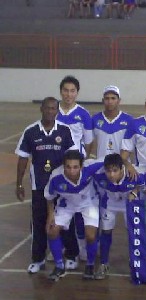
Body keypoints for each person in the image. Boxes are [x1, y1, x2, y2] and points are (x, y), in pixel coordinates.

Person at [15, 97, 78, 274]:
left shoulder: (65, 131)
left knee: (66, 220)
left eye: (53, 109)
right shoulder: (31, 131)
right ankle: (38, 258)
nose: (50, 112)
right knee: (38, 221)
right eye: (47, 108)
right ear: (41, 109)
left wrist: (73, 180)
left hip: (62, 186)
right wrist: (19, 183)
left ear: (57, 111)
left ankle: (71, 255)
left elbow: (73, 157)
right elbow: (22, 158)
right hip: (39, 186)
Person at [45, 150, 103, 281]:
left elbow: (110, 159)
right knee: (52, 231)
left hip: (89, 201)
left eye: (75, 167)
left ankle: (90, 265)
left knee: (91, 235)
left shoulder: (90, 166)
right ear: (63, 166)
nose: (72, 171)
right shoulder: (55, 176)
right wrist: (50, 215)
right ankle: (59, 266)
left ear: (82, 166)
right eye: (68, 167)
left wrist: (127, 166)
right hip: (67, 203)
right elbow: (49, 197)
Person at [57, 75, 94, 263]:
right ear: (61, 91)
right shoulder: (53, 112)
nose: (69, 94)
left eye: (72, 91)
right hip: (57, 167)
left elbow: (88, 143)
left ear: (77, 93)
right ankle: (64, 246)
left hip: (75, 169)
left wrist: (80, 162)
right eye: (65, 90)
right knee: (60, 208)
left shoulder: (84, 114)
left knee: (79, 209)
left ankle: (82, 249)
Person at [93, 153, 144, 280]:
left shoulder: (134, 174)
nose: (111, 174)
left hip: (129, 202)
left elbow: (144, 183)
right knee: (105, 231)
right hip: (109, 203)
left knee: (133, 232)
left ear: (122, 169)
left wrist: (134, 191)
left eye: (115, 171)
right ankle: (104, 263)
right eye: (108, 171)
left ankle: (135, 262)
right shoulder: (97, 172)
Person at [92, 85, 134, 158]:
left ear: (119, 100)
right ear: (103, 100)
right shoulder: (94, 119)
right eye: (107, 98)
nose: (110, 101)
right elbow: (89, 141)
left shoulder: (129, 120)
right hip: (100, 165)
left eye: (113, 98)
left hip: (120, 166)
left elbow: (132, 146)